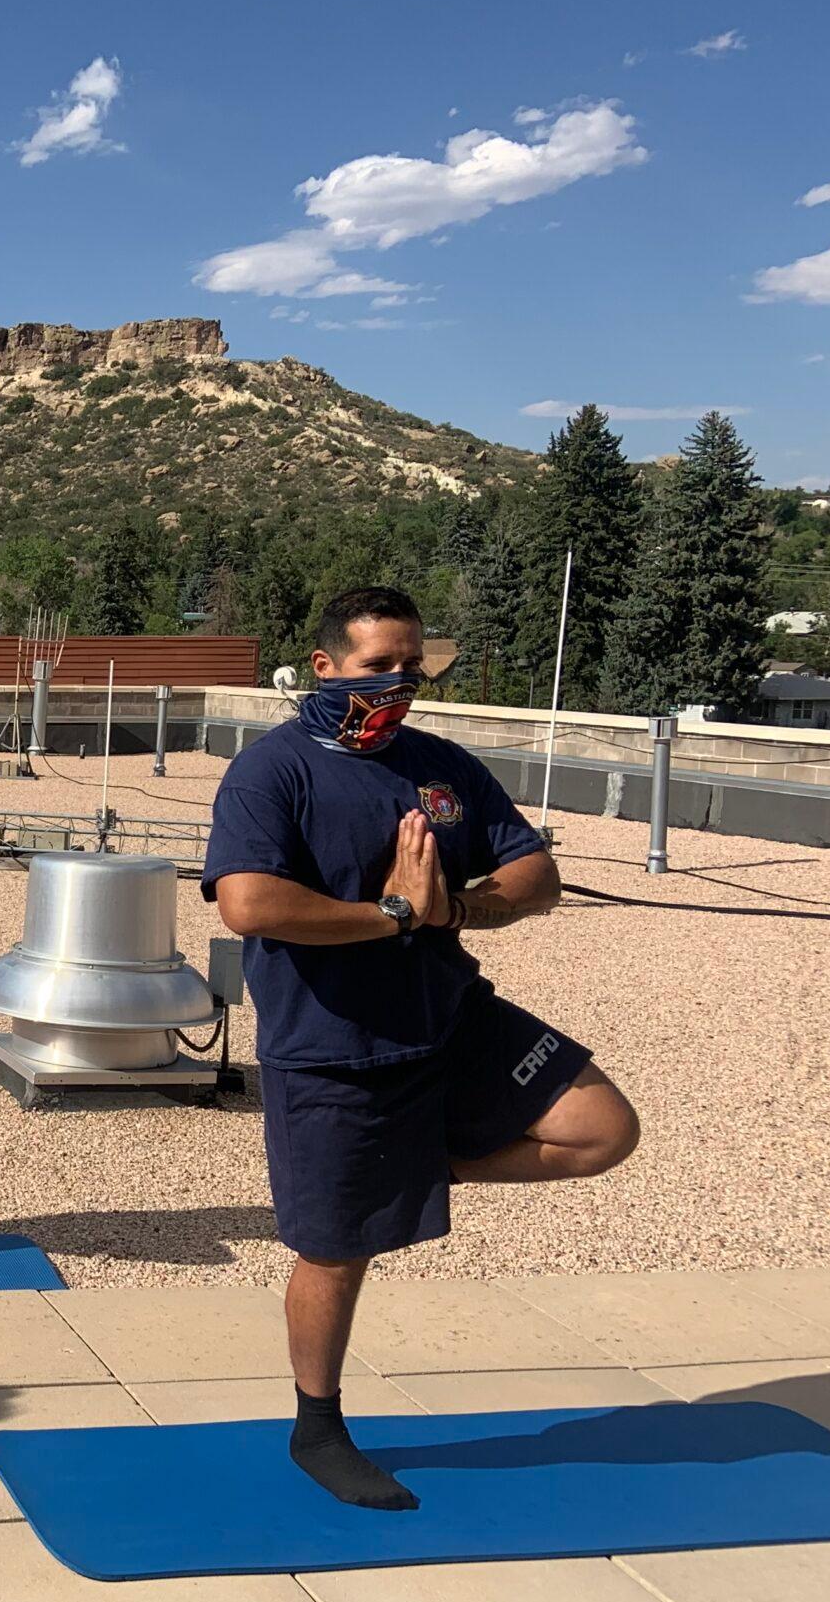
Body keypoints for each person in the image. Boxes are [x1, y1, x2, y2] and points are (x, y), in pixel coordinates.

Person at [202, 586, 639, 1511]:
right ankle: (317, 1427)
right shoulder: (272, 771)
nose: (397, 684)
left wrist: (463, 906)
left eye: (410, 668)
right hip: (333, 1047)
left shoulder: (439, 765)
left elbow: (535, 871)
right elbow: (248, 904)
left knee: (601, 1127)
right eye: (376, 668)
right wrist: (394, 912)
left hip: (450, 1014)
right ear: (324, 668)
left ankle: (407, 1171)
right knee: (334, 1251)